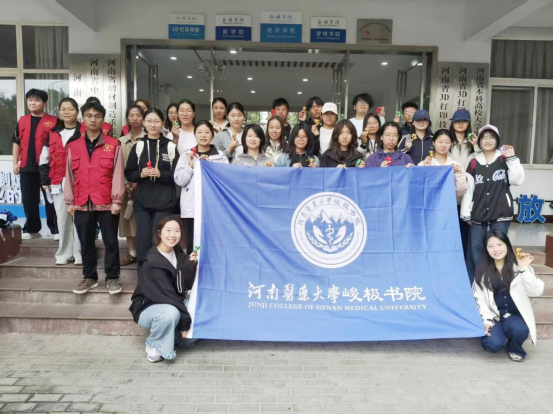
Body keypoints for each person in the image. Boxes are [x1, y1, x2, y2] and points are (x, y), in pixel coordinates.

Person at [65, 101, 124, 295]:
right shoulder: (73, 146)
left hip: (106, 202)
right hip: (81, 202)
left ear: (103, 120)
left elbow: (118, 174)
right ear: (82, 118)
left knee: (111, 242)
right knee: (86, 242)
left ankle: (112, 278)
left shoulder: (113, 145)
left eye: (97, 116)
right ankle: (89, 277)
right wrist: (70, 202)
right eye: (89, 116)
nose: (93, 120)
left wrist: (117, 200)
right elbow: (69, 175)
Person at [130, 216, 199, 363]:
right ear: (159, 233)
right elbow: (167, 296)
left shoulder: (178, 253)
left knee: (191, 330)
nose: (173, 235)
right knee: (170, 313)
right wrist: (184, 321)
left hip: (172, 301)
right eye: (168, 230)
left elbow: (184, 285)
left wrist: (189, 266)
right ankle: (154, 344)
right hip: (148, 307)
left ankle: (172, 335)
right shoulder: (152, 261)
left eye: (177, 231)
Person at [461, 125, 525, 282]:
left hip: (501, 211)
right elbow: (469, 189)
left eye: (491, 137)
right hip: (478, 213)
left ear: (497, 140)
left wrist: (512, 158)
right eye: (484, 138)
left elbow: (517, 180)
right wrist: (466, 213)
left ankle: (500, 282)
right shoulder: (474, 162)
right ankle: (479, 283)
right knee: (476, 248)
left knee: (499, 248)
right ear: (479, 142)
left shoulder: (504, 159)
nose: (488, 141)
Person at [473, 230, 544, 362]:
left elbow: (536, 291)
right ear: (486, 249)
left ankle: (515, 347)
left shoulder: (519, 267)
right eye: (491, 246)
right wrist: (486, 320)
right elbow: (480, 299)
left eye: (499, 244)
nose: (496, 249)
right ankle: (501, 336)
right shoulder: (482, 271)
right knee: (492, 345)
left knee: (518, 329)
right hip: (495, 316)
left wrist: (524, 269)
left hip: (514, 315)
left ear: (507, 245)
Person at [125, 108, 180, 262]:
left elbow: (178, 174)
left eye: (156, 121)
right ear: (144, 123)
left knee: (161, 240)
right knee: (142, 241)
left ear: (162, 123)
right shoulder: (138, 146)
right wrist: (141, 174)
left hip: (165, 203)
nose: (153, 125)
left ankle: (160, 273)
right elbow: (129, 173)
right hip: (142, 203)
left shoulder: (170, 147)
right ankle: (143, 273)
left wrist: (161, 174)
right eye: (149, 121)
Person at [174, 121, 229, 254]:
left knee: (214, 243)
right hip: (191, 208)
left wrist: (210, 167)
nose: (203, 135)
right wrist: (191, 166)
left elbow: (226, 180)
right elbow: (179, 180)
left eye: (207, 132)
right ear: (194, 135)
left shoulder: (220, 156)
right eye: (199, 132)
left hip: (214, 207)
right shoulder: (187, 155)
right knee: (192, 243)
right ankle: (193, 267)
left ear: (212, 135)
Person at [39, 97, 82, 266]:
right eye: (63, 109)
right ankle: (64, 253)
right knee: (62, 219)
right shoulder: (52, 133)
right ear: (59, 112)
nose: (66, 112)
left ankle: (79, 254)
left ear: (77, 112)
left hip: (80, 183)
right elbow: (44, 159)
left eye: (70, 109)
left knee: (79, 219)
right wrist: (45, 181)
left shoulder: (84, 132)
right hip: (57, 182)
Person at [12, 88, 58, 240]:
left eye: (37, 100)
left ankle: (56, 230)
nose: (32, 103)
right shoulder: (22, 120)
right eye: (30, 100)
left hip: (48, 168)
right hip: (27, 167)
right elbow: (16, 142)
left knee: (51, 200)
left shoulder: (54, 121)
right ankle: (32, 230)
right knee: (28, 200)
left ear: (44, 103)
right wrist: (15, 163)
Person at [449, 109, 480, 260]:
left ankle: (465, 264)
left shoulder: (474, 143)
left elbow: (481, 162)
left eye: (464, 121)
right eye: (457, 121)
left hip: (469, 194)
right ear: (452, 123)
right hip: (450, 193)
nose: (460, 124)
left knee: (466, 232)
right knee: (450, 231)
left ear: (469, 123)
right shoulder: (447, 141)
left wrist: (477, 146)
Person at [118, 105, 145, 266]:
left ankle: (144, 253)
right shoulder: (121, 141)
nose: (135, 118)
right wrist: (125, 184)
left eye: (138, 115)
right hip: (125, 188)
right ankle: (132, 253)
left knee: (142, 222)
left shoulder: (148, 139)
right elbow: (117, 166)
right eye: (131, 115)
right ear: (127, 118)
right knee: (127, 220)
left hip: (143, 187)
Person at [418, 130, 468, 197]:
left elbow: (461, 192)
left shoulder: (455, 165)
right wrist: (426, 169)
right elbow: (418, 188)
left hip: (448, 202)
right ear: (433, 143)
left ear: (451, 144)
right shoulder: (424, 164)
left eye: (447, 142)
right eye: (440, 142)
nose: (443, 145)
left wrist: (459, 174)